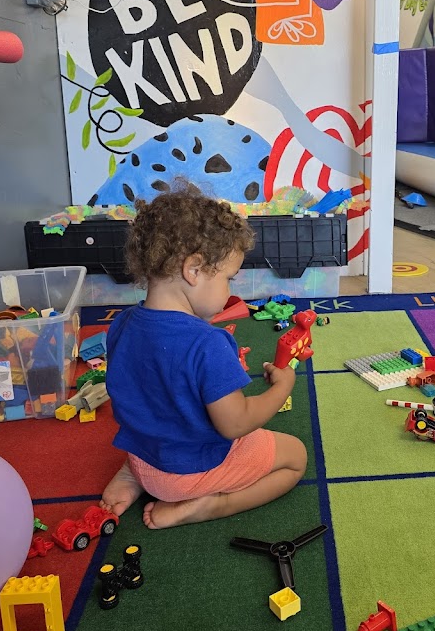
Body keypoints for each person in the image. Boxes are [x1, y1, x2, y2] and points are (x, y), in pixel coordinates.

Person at [100, 182, 306, 530]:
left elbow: (147, 392)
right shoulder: (208, 344)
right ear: (193, 270)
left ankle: (132, 477)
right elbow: (236, 424)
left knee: (160, 416)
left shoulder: (122, 324)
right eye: (228, 279)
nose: (230, 291)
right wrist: (282, 387)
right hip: (187, 474)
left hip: (143, 458)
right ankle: (212, 506)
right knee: (295, 457)